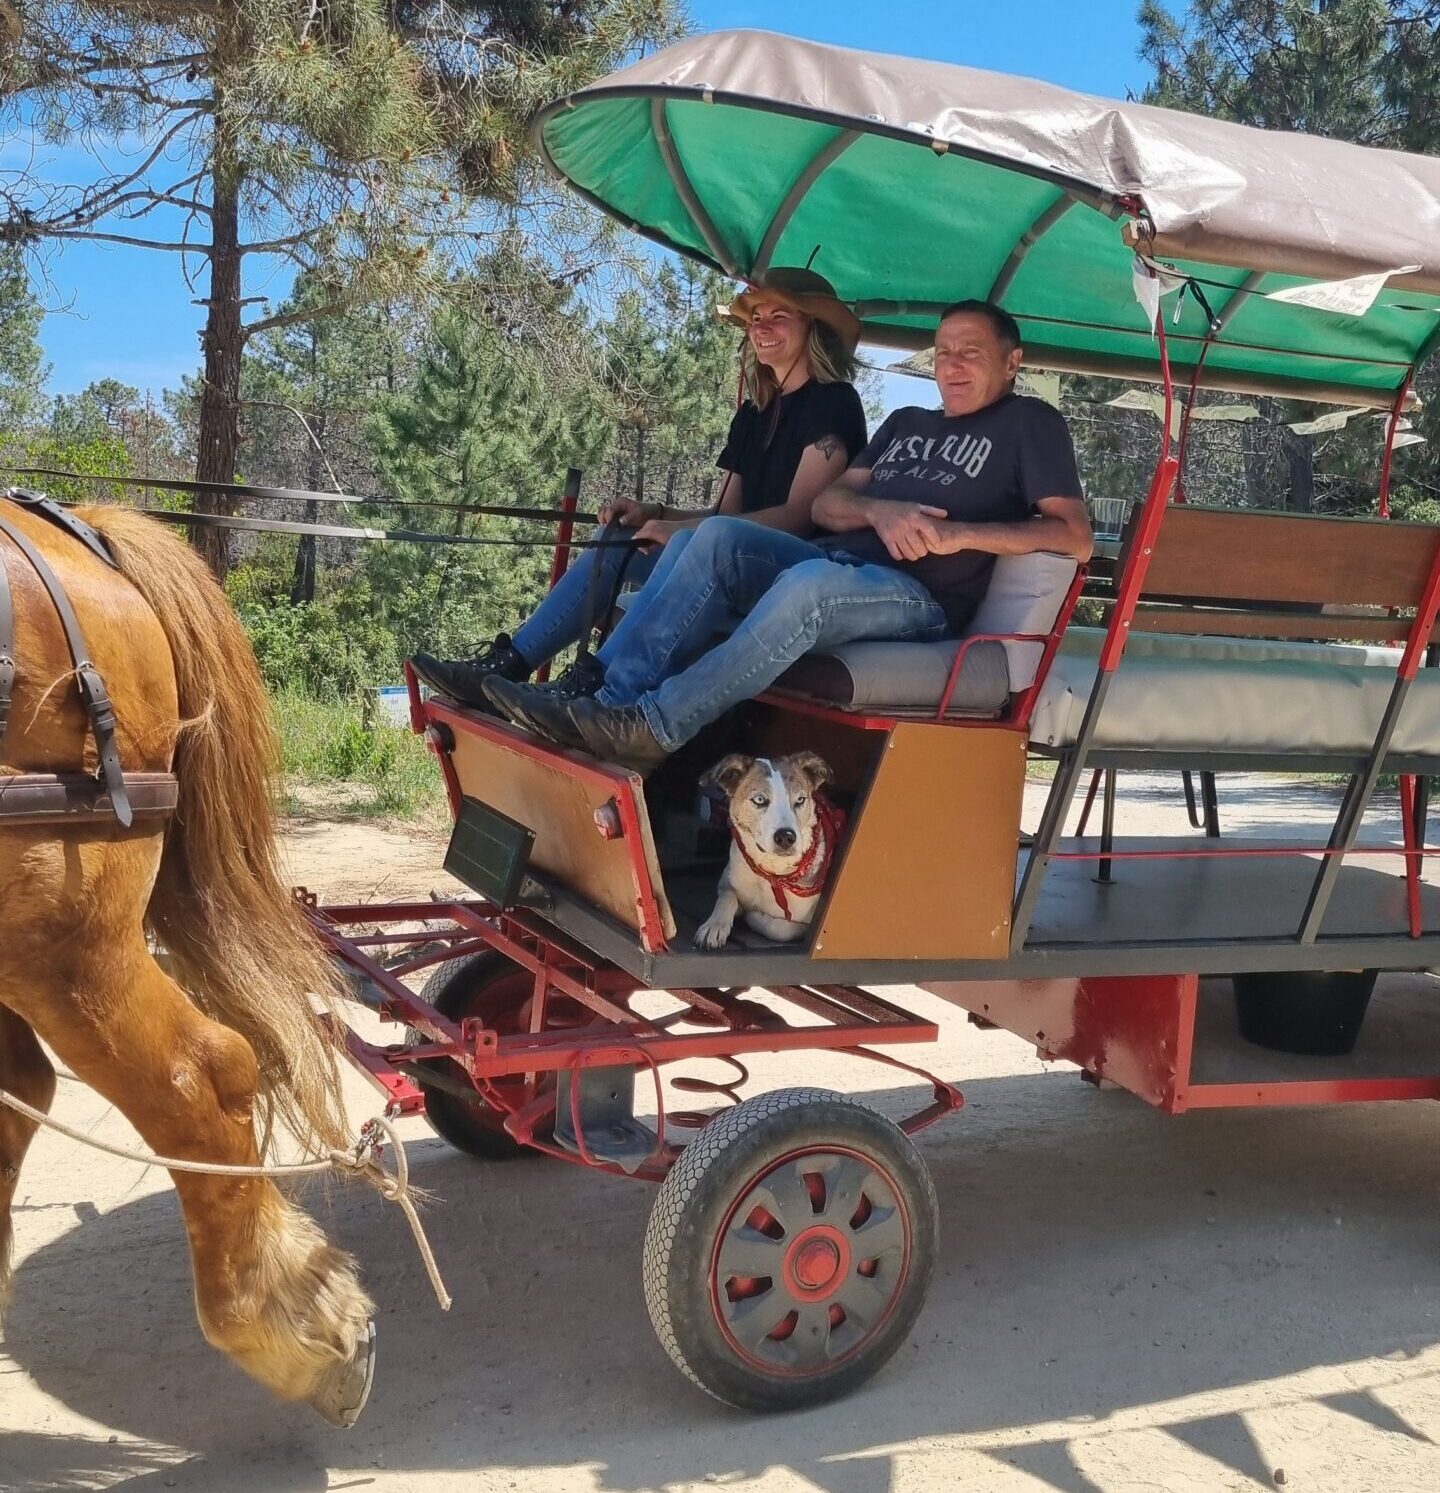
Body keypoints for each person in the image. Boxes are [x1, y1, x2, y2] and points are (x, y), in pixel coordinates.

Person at [499, 300, 1094, 772]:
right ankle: (604, 701)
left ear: (1012, 362)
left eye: (971, 352)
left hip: (918, 595)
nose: (952, 365)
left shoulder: (1030, 424)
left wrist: (959, 533)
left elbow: (1074, 535)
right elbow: (830, 503)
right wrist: (879, 513)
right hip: (836, 560)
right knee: (713, 539)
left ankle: (655, 728)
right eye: (942, 353)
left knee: (809, 584)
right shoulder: (906, 423)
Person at [409, 268, 868, 712]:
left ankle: (595, 687)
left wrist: (682, 531)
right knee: (618, 537)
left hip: (787, 575)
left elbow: (799, 517)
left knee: (687, 539)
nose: (762, 329)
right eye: (755, 319)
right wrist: (659, 515)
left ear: (813, 326)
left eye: (779, 316)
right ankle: (511, 663)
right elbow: (724, 512)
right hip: (723, 555)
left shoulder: (835, 402)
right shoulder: (754, 412)